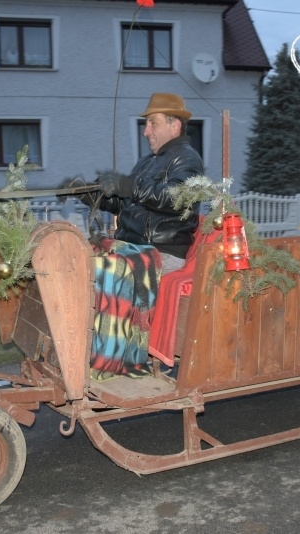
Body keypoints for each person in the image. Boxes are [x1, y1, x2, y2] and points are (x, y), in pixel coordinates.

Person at [85, 93, 204, 379]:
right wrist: (93, 197)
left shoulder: (188, 160)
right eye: (146, 123)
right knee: (83, 259)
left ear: (175, 125)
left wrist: (130, 186)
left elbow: (175, 200)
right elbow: (129, 202)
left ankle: (115, 359)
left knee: (106, 270)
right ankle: (94, 344)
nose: (145, 130)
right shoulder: (147, 162)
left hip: (162, 251)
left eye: (152, 123)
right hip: (133, 246)